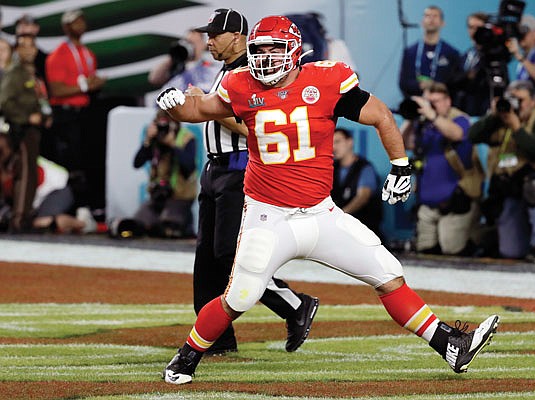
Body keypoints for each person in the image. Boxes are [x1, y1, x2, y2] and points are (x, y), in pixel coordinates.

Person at [156, 15, 499, 384]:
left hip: (321, 214)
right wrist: (173, 104)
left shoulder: (326, 80)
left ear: (294, 51)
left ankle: (450, 344)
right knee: (239, 295)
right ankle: (185, 358)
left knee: (387, 272)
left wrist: (400, 166)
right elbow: (199, 110)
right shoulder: (241, 84)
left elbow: (381, 115)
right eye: (260, 49)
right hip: (268, 216)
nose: (267, 57)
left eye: (275, 48)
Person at [190, 8, 319, 355]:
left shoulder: (253, 73)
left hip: (239, 168)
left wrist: (206, 106)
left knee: (231, 253)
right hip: (216, 169)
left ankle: (294, 305)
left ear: (236, 36)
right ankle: (216, 339)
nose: (209, 41)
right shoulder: (227, 72)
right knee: (207, 260)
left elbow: (256, 126)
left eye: (215, 35)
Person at [469, 80, 535, 260]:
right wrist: (493, 116)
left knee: (534, 186)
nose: (516, 104)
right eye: (512, 99)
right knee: (511, 252)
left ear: (533, 101)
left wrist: (517, 127)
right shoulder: (501, 122)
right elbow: (473, 135)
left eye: (521, 100)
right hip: (510, 186)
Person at [402, 82, 479, 255]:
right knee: (426, 250)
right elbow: (402, 143)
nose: (432, 106)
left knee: (451, 249)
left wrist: (432, 115)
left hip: (455, 202)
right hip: (428, 204)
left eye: (435, 101)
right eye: (428, 102)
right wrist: (409, 117)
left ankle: (479, 235)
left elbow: (456, 134)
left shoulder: (460, 119)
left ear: (448, 101)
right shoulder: (423, 124)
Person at [44, 9, 106, 196]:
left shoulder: (88, 54)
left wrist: (95, 84)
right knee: (70, 164)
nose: (79, 25)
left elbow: (88, 81)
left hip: (84, 113)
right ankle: (70, 205)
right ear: (65, 27)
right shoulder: (58, 55)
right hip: (65, 115)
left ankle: (86, 204)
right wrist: (86, 86)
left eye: (81, 21)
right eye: (74, 22)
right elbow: (56, 90)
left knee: (87, 160)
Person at [112, 109, 197, 238]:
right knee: (135, 226)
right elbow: (137, 163)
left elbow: (189, 168)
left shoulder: (186, 138)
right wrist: (147, 141)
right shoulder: (155, 140)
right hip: (157, 197)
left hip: (179, 198)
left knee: (168, 228)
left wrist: (172, 145)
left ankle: (180, 226)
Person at [0, 34, 52, 232]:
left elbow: (37, 99)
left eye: (32, 47)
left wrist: (44, 115)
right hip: (20, 131)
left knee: (30, 176)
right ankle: (19, 219)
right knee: (25, 175)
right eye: (24, 47)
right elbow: (5, 103)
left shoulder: (32, 72)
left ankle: (23, 216)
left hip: (32, 131)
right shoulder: (15, 72)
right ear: (17, 51)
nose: (29, 51)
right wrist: (26, 117)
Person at [0, 133, 96, 234]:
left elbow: (24, 195)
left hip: (57, 190)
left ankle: (82, 222)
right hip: (35, 200)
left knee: (39, 223)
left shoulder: (19, 163)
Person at [398, 5, 460, 100]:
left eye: (435, 16)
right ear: (422, 22)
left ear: (442, 23)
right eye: (427, 16)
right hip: (416, 104)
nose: (431, 19)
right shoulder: (410, 52)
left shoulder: (451, 53)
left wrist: (435, 86)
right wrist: (420, 85)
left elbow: (455, 83)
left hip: (442, 106)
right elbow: (403, 83)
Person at [331, 127, 383, 239]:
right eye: (331, 143)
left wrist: (341, 216)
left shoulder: (365, 168)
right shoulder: (331, 168)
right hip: (339, 231)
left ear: (350, 142)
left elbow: (363, 197)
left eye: (337, 142)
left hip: (363, 229)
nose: (334, 147)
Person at [148, 28, 220, 94]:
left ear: (203, 45)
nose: (191, 46)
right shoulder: (176, 67)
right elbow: (154, 79)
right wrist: (175, 54)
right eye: (188, 42)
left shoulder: (209, 68)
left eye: (194, 43)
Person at [453, 12, 491, 117]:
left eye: (478, 28)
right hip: (461, 113)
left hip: (482, 114)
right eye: (471, 27)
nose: (474, 32)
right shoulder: (465, 56)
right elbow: (453, 80)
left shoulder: (493, 56)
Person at [14, 14, 48, 85]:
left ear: (36, 28)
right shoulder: (5, 53)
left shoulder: (45, 59)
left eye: (26, 24)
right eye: (19, 25)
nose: (22, 28)